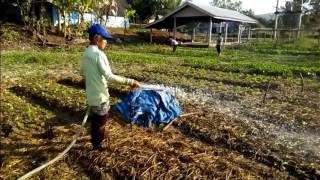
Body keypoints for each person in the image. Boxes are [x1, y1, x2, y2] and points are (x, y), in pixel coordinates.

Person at [80, 24, 141, 151]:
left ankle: (95, 140)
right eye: (105, 38)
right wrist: (129, 81)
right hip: (100, 96)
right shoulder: (98, 54)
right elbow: (109, 76)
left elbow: (82, 72)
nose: (106, 42)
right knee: (101, 123)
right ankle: (97, 146)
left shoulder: (86, 53)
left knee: (96, 122)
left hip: (91, 96)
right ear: (97, 38)